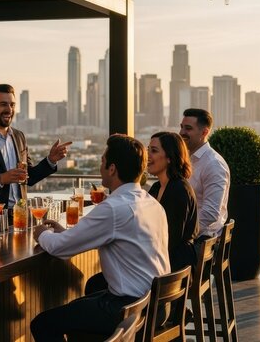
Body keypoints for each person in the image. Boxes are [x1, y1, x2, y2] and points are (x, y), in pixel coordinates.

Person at [30, 134, 170, 341]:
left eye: (102, 162)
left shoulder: (114, 207)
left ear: (112, 169)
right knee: (78, 305)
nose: (100, 166)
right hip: (157, 304)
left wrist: (42, 234)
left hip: (129, 310)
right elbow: (106, 236)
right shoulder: (151, 202)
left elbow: (60, 249)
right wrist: (65, 233)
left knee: (43, 323)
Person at [0, 84, 70, 235]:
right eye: (3, 104)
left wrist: (50, 160)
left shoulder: (19, 136)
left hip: (20, 222)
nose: (9, 110)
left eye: (12, 105)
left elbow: (28, 177)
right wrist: (0, 179)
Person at [147, 131, 199, 271]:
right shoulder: (157, 187)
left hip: (175, 268)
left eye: (154, 151)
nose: (148, 156)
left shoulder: (178, 190)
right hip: (163, 259)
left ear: (169, 157)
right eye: (148, 150)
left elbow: (171, 239)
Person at [179, 108, 230, 241]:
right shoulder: (188, 159)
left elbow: (210, 214)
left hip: (202, 239)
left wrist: (182, 234)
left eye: (188, 128)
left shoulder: (213, 164)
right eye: (182, 127)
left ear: (205, 132)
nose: (182, 133)